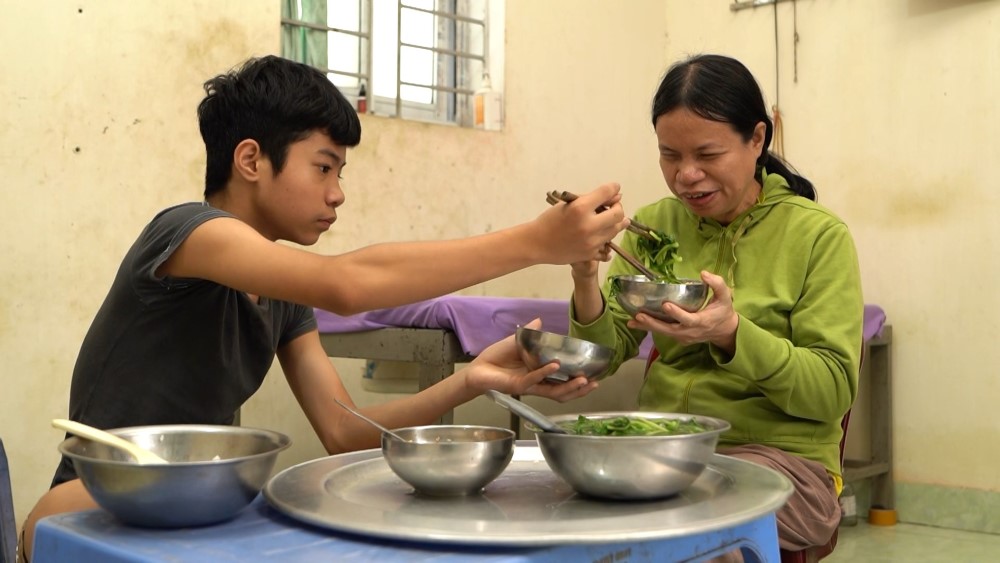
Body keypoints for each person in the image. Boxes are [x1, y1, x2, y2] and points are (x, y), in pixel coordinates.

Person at [20, 55, 629, 561]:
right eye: (323, 167)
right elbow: (346, 284)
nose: (337, 193)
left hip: (193, 511)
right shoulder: (188, 232)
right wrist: (535, 243)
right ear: (252, 160)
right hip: (87, 511)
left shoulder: (283, 295)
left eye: (340, 171)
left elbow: (342, 432)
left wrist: (469, 380)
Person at [567, 54, 863, 555]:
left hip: (784, 462)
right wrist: (584, 275)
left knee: (698, 520)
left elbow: (831, 392)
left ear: (757, 140)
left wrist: (732, 334)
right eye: (669, 155)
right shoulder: (653, 227)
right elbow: (602, 356)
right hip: (665, 453)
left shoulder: (818, 236)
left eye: (707, 154)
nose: (686, 176)